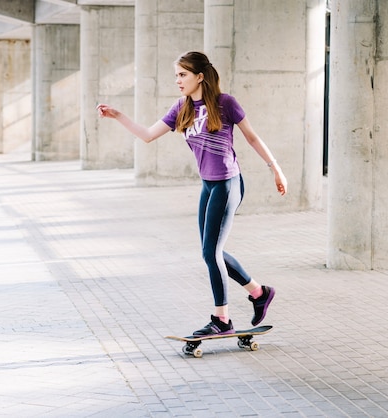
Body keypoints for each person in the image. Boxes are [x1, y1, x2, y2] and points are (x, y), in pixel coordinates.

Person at [96, 51, 287, 336]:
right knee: (211, 252)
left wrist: (276, 169)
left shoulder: (226, 104)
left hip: (227, 183)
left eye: (183, 74)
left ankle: (221, 320)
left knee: (212, 253)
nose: (178, 80)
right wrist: (117, 115)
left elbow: (252, 137)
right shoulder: (181, 108)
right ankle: (259, 293)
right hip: (208, 186)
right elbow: (148, 135)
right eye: (176, 75)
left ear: (200, 76)